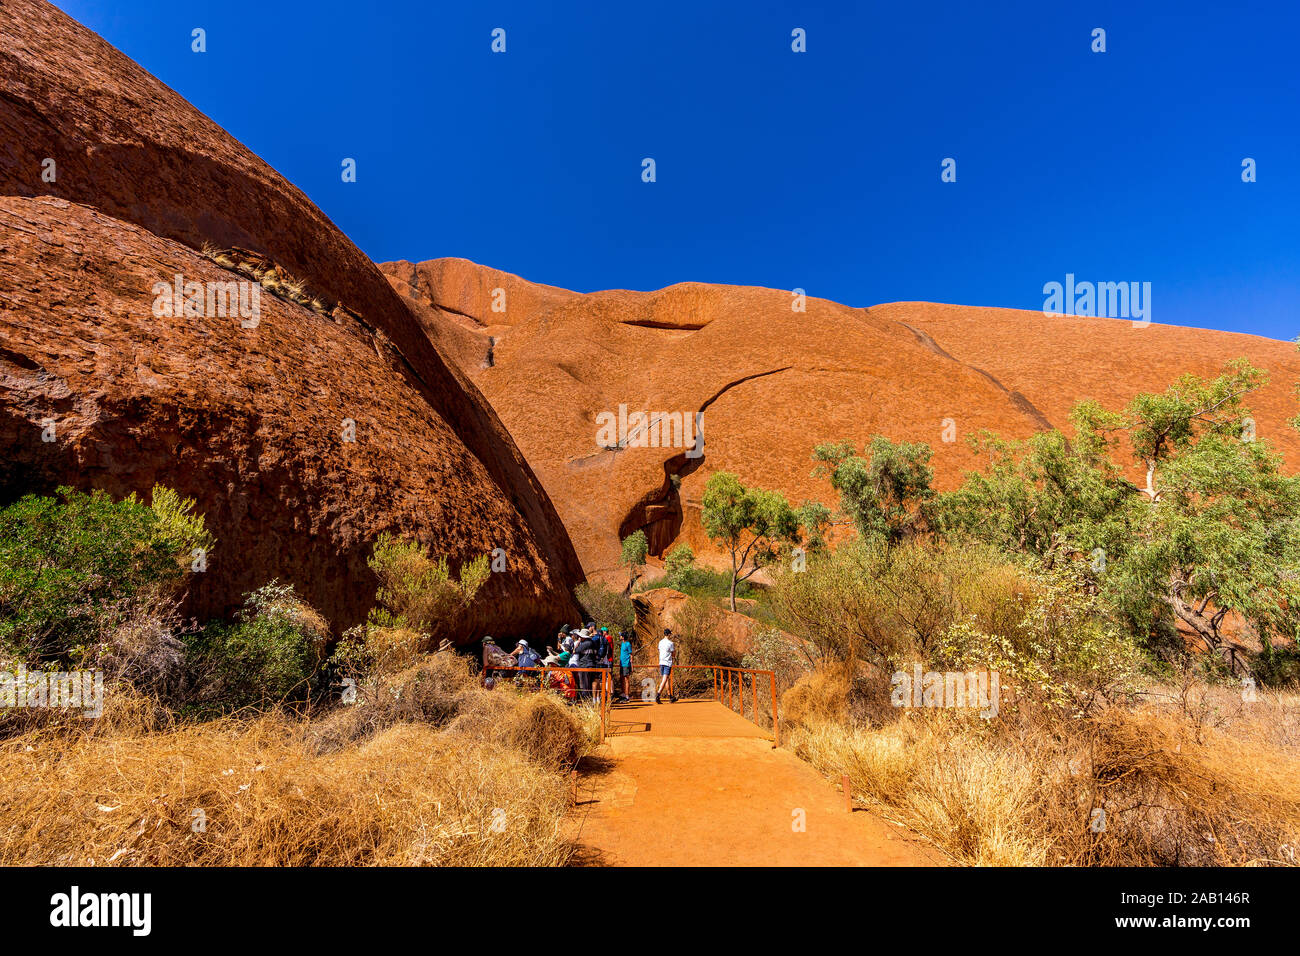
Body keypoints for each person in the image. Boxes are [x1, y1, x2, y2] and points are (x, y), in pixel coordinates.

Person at [657, 627, 676, 703]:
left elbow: (659, 650)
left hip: (661, 662)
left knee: (666, 679)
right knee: (664, 679)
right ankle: (658, 694)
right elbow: (673, 654)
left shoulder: (660, 642)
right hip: (667, 663)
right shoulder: (670, 643)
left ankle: (670, 696)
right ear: (668, 634)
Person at [618, 630, 633, 702]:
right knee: (621, 679)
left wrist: (631, 666)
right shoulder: (622, 644)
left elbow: (631, 655)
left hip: (626, 664)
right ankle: (623, 694)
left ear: (623, 637)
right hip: (621, 664)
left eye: (621, 635)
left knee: (626, 679)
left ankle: (627, 696)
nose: (620, 636)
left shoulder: (628, 644)